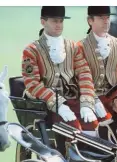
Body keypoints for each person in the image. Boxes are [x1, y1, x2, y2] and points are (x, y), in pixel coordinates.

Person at [22, 6, 106, 136]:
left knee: (99, 124)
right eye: (54, 21)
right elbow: (32, 84)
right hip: (47, 105)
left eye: (61, 21)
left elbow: (84, 74)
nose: (59, 25)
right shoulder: (31, 50)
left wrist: (87, 101)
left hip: (74, 99)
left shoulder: (73, 47)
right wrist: (59, 105)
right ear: (43, 22)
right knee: (73, 129)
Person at [77, 6, 117, 118]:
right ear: (90, 20)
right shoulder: (79, 48)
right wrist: (92, 100)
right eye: (101, 18)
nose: (106, 22)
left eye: (107, 18)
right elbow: (79, 78)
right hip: (90, 99)